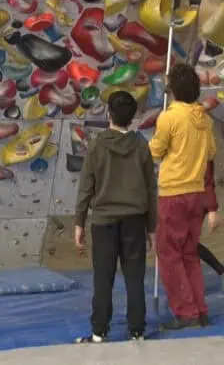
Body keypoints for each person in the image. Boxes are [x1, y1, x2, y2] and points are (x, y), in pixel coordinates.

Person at [74, 91, 157, 343]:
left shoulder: (97, 145)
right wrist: (152, 227)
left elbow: (86, 186)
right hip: (135, 220)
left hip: (103, 222)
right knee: (135, 277)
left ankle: (99, 331)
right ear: (132, 118)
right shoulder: (141, 145)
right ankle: (136, 330)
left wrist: (79, 222)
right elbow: (151, 189)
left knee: (103, 277)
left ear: (109, 114)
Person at [148, 63, 216, 330]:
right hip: (196, 194)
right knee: (189, 253)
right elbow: (210, 153)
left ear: (173, 89)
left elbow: (155, 151)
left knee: (168, 254)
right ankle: (200, 310)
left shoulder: (169, 117)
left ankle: (186, 312)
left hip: (174, 193)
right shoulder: (205, 119)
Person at [199, 161, 224, 295]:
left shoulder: (203, 145)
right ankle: (222, 272)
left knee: (188, 243)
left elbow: (208, 180)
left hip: (197, 200)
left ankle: (222, 272)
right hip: (181, 199)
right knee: (186, 243)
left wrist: (211, 209)